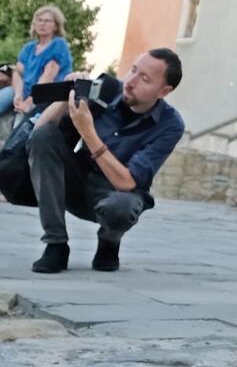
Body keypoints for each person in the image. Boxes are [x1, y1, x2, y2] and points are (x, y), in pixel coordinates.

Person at [26, 49, 185, 273]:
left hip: (114, 194)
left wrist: (88, 132)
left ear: (164, 91)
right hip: (76, 180)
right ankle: (56, 244)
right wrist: (68, 95)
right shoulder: (107, 90)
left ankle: (109, 242)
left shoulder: (170, 124)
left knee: (122, 206)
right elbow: (39, 136)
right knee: (44, 137)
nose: (130, 82)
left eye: (145, 79)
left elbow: (127, 183)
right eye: (133, 70)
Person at [1, 5, 74, 118]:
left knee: (22, 124)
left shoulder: (59, 44)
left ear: (55, 26)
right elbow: (18, 72)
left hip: (46, 94)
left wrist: (29, 102)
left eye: (47, 21)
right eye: (39, 20)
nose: (42, 24)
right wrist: (18, 95)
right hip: (24, 90)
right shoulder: (28, 47)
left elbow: (48, 77)